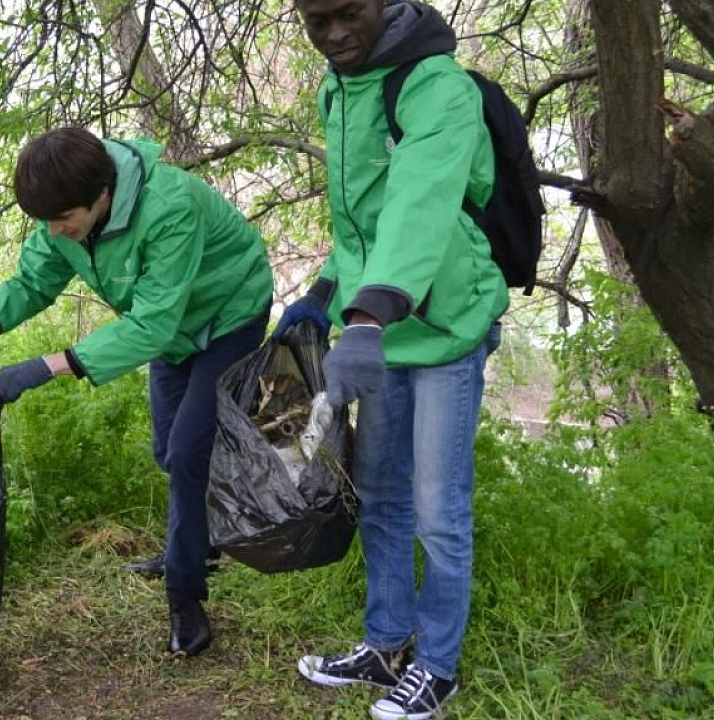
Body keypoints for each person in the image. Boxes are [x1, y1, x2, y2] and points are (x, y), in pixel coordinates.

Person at [0, 126, 273, 657]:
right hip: (171, 328)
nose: (54, 230)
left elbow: (152, 324)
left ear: (102, 196)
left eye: (63, 219)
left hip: (229, 316)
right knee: (169, 448)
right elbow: (35, 279)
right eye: (46, 221)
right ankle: (199, 544)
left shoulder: (169, 207)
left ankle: (185, 596)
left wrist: (50, 366)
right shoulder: (66, 214)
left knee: (188, 454)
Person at [279, 1, 506, 719]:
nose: (336, 35)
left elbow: (419, 203)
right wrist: (325, 291)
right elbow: (359, 217)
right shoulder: (336, 89)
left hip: (441, 326)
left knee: (439, 510)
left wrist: (369, 315)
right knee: (381, 494)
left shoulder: (438, 85)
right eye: (319, 22)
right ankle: (385, 645)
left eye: (350, 15)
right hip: (378, 324)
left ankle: (436, 667)